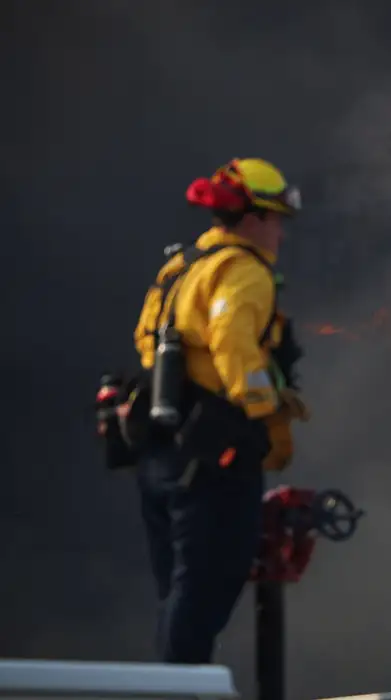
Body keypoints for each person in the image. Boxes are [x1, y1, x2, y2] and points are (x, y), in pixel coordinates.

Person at [124, 157, 311, 664]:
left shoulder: (181, 267)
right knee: (207, 586)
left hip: (161, 454)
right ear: (252, 218)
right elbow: (233, 345)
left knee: (180, 592)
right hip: (214, 460)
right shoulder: (243, 272)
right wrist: (262, 410)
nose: (280, 235)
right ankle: (181, 688)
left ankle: (176, 682)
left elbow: (147, 341)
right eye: (275, 221)